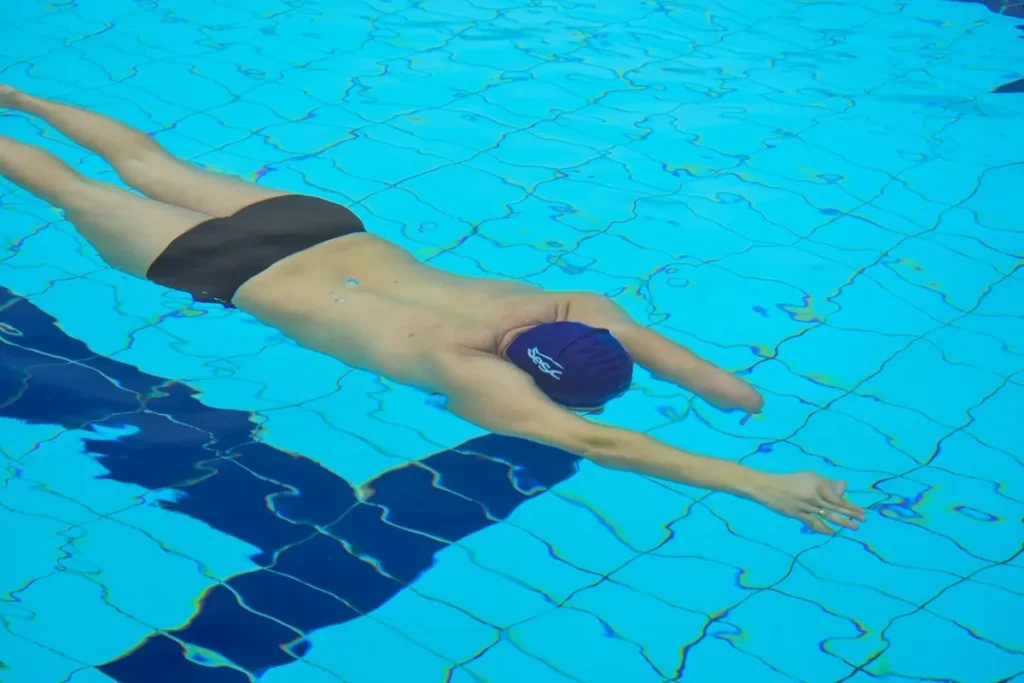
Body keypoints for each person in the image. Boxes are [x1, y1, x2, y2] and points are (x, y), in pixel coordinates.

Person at [0, 85, 865, 534]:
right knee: (67, 191)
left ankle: (22, 98)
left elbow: (667, 356)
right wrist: (761, 480)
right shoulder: (472, 376)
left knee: (147, 159)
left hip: (314, 226)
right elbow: (607, 443)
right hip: (230, 271)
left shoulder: (568, 304)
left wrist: (732, 395)